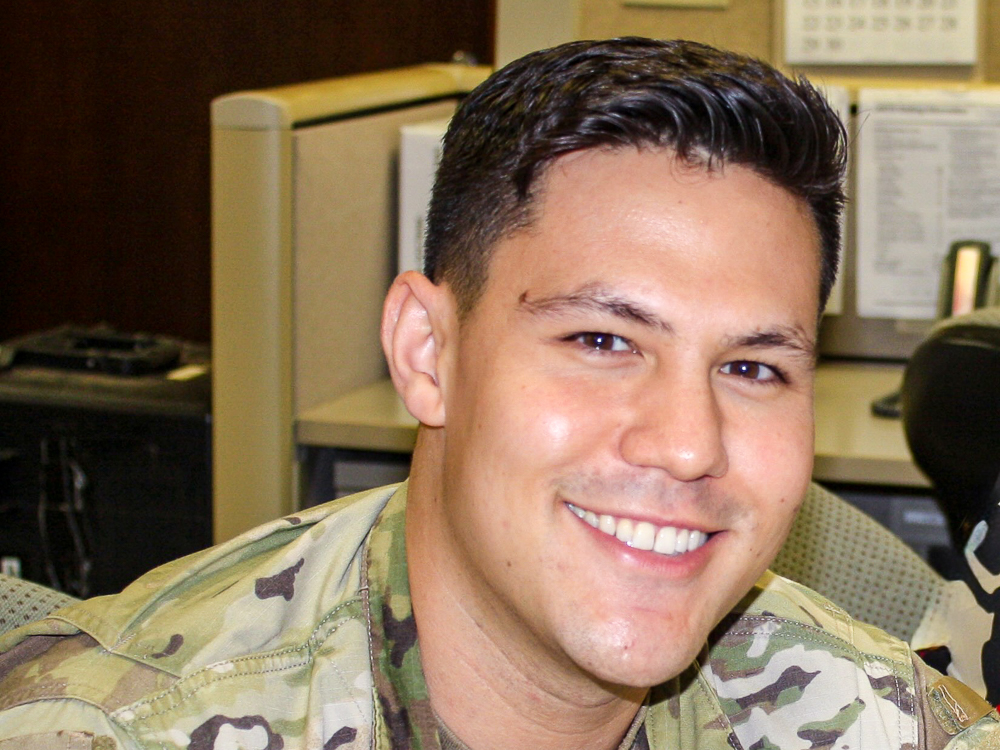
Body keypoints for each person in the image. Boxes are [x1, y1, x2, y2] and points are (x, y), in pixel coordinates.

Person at [0, 37, 996, 749]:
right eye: (602, 339)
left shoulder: (880, 720)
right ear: (426, 352)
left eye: (750, 368)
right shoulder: (115, 728)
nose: (687, 443)